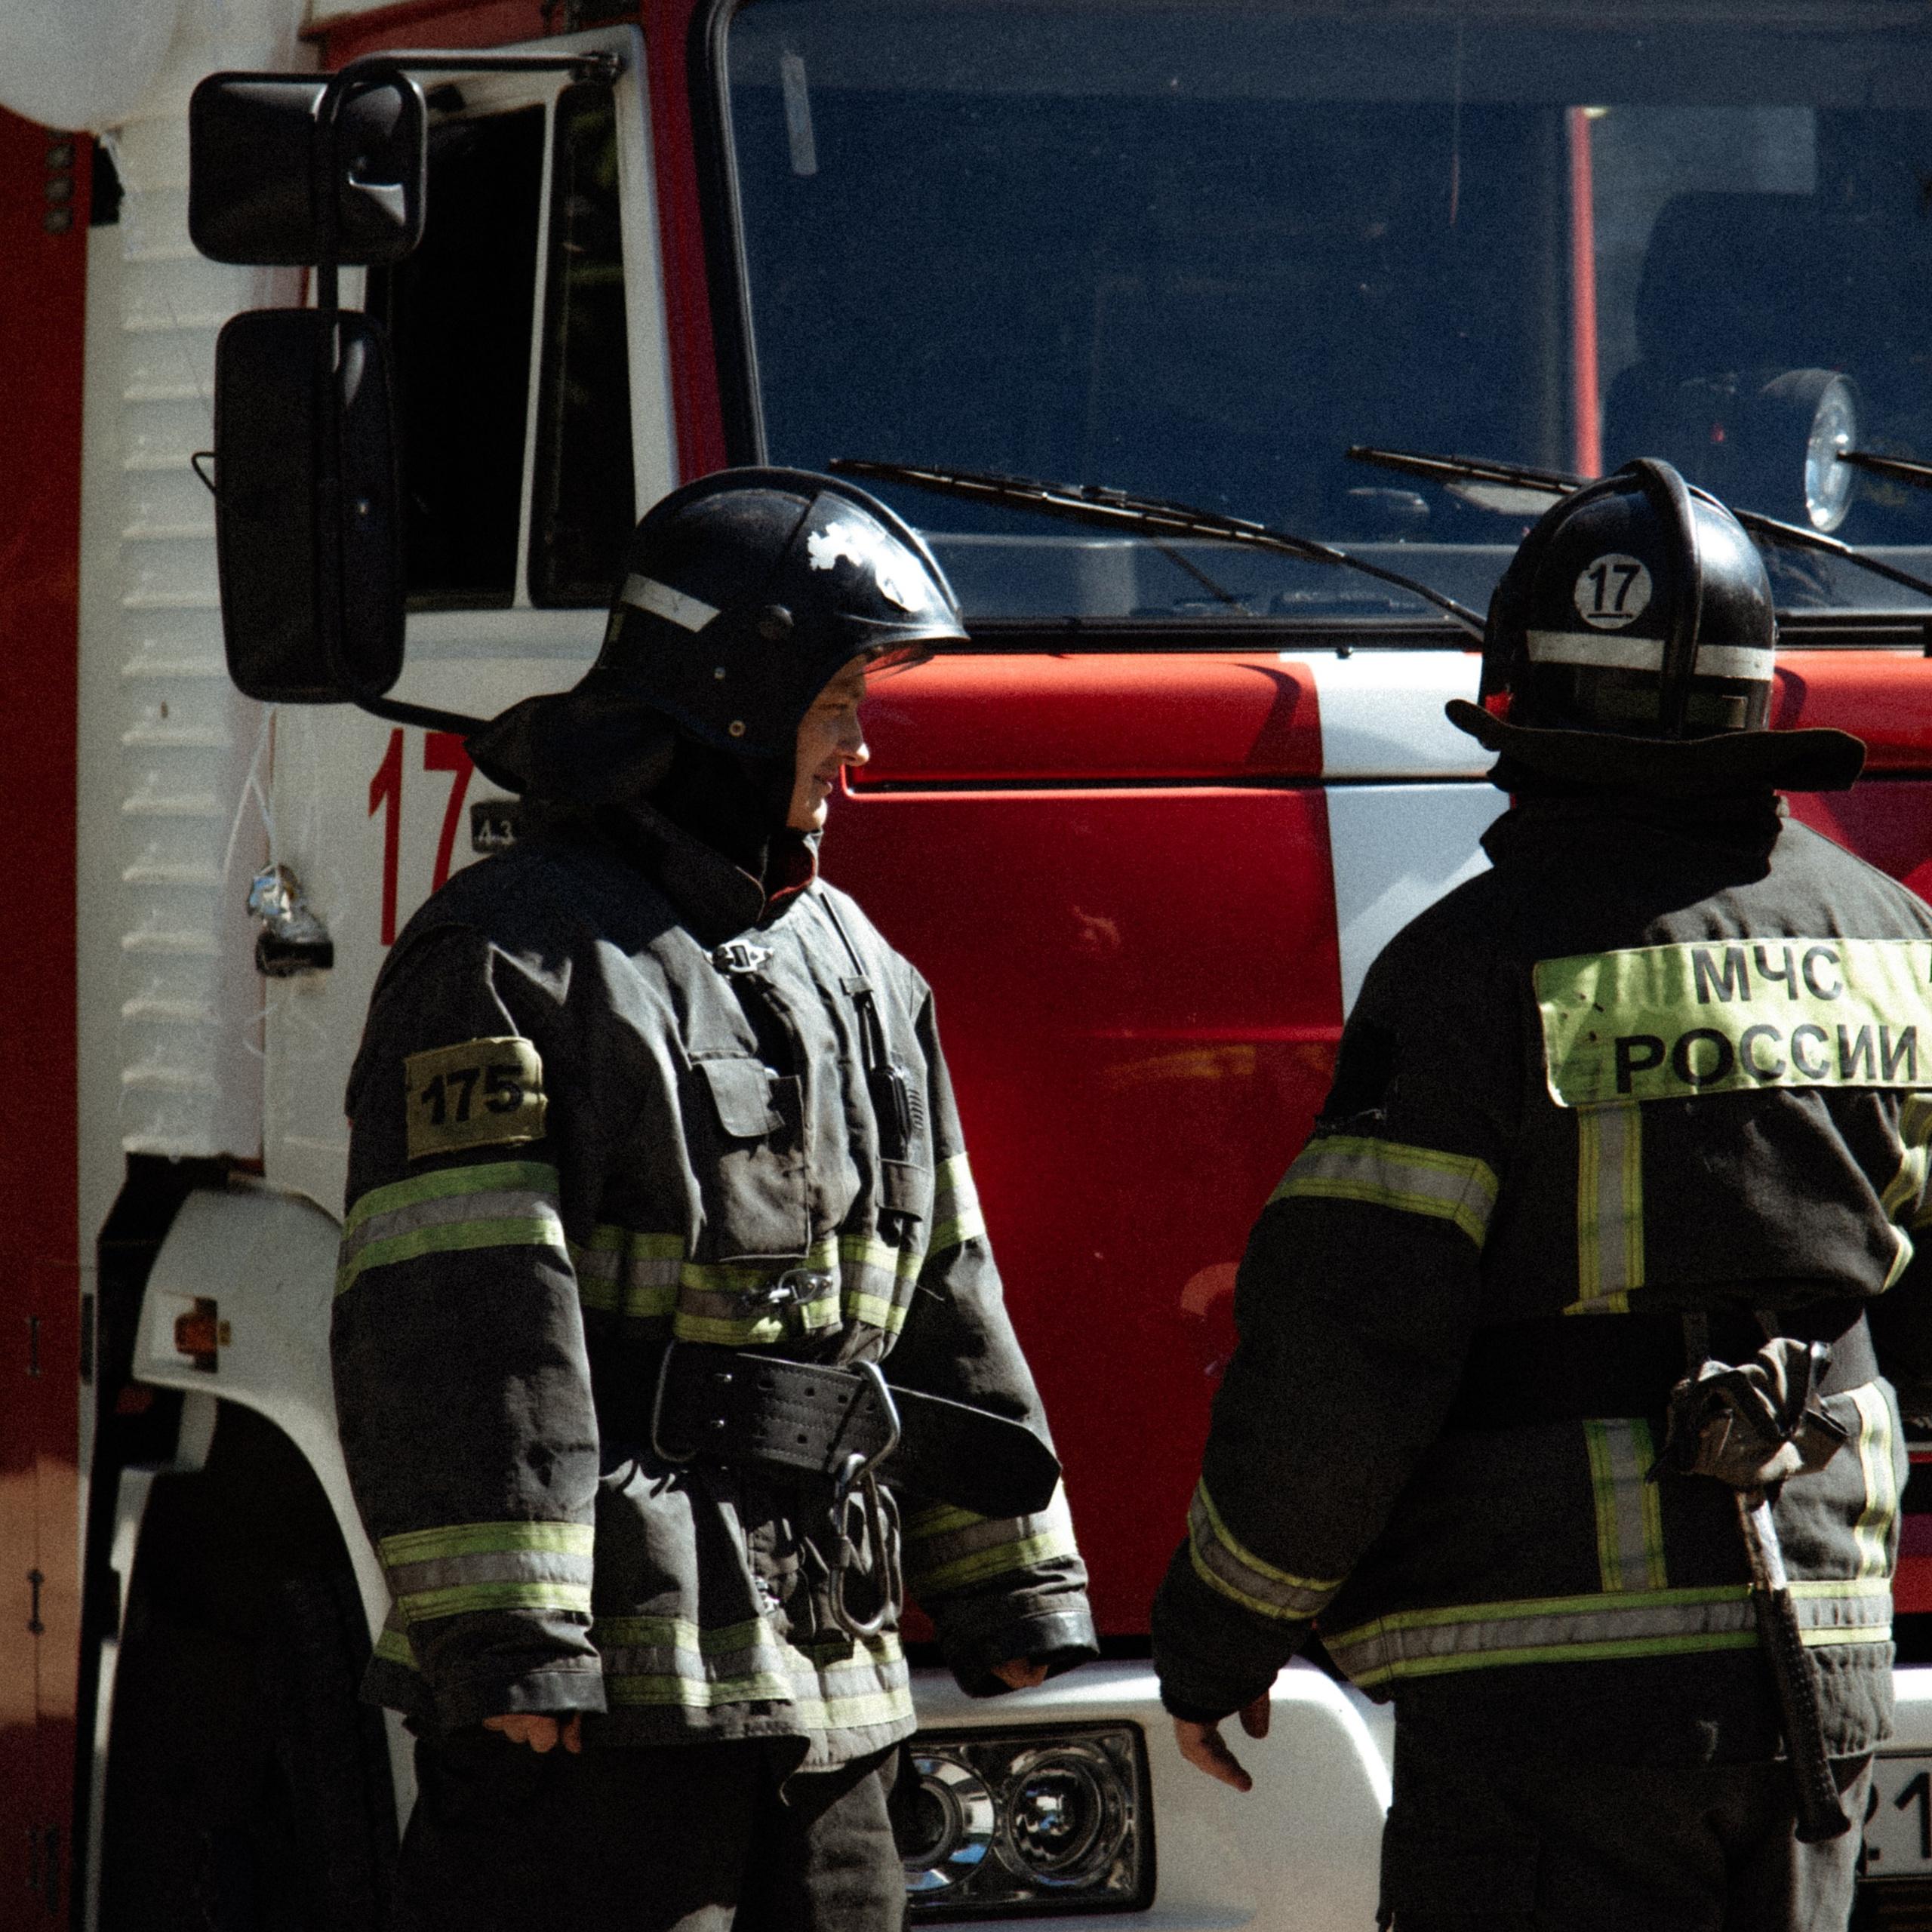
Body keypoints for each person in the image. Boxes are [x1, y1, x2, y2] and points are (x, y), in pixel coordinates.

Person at [1152, 459, 1929, 1931]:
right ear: (1756, 702)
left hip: (1541, 1697)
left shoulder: (1469, 969)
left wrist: (1223, 1628)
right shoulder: (1891, 940)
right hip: (1810, 1666)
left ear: (1517, 702)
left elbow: (1347, 1349)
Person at [331, 467, 1096, 1932]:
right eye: (836, 708)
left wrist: (1008, 1591)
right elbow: (462, 1324)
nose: (857, 756)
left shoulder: (860, 968)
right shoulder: (513, 958)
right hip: (605, 1715)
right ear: (731, 709)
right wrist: (509, 1645)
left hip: (832, 1711)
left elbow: (943, 1289)